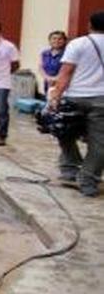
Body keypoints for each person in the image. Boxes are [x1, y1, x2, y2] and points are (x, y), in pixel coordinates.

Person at [48, 11, 104, 198]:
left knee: (64, 132)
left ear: (89, 25)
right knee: (99, 143)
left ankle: (71, 169)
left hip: (75, 97)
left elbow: (66, 72)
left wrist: (55, 96)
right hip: (101, 101)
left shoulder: (78, 44)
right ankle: (88, 181)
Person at [40, 30, 68, 96]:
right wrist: (47, 78)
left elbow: (67, 69)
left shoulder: (67, 53)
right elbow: (40, 67)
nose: (57, 41)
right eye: (54, 38)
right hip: (48, 83)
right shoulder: (45, 53)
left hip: (62, 84)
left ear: (64, 41)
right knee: (49, 101)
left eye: (60, 39)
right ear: (49, 41)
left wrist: (56, 79)